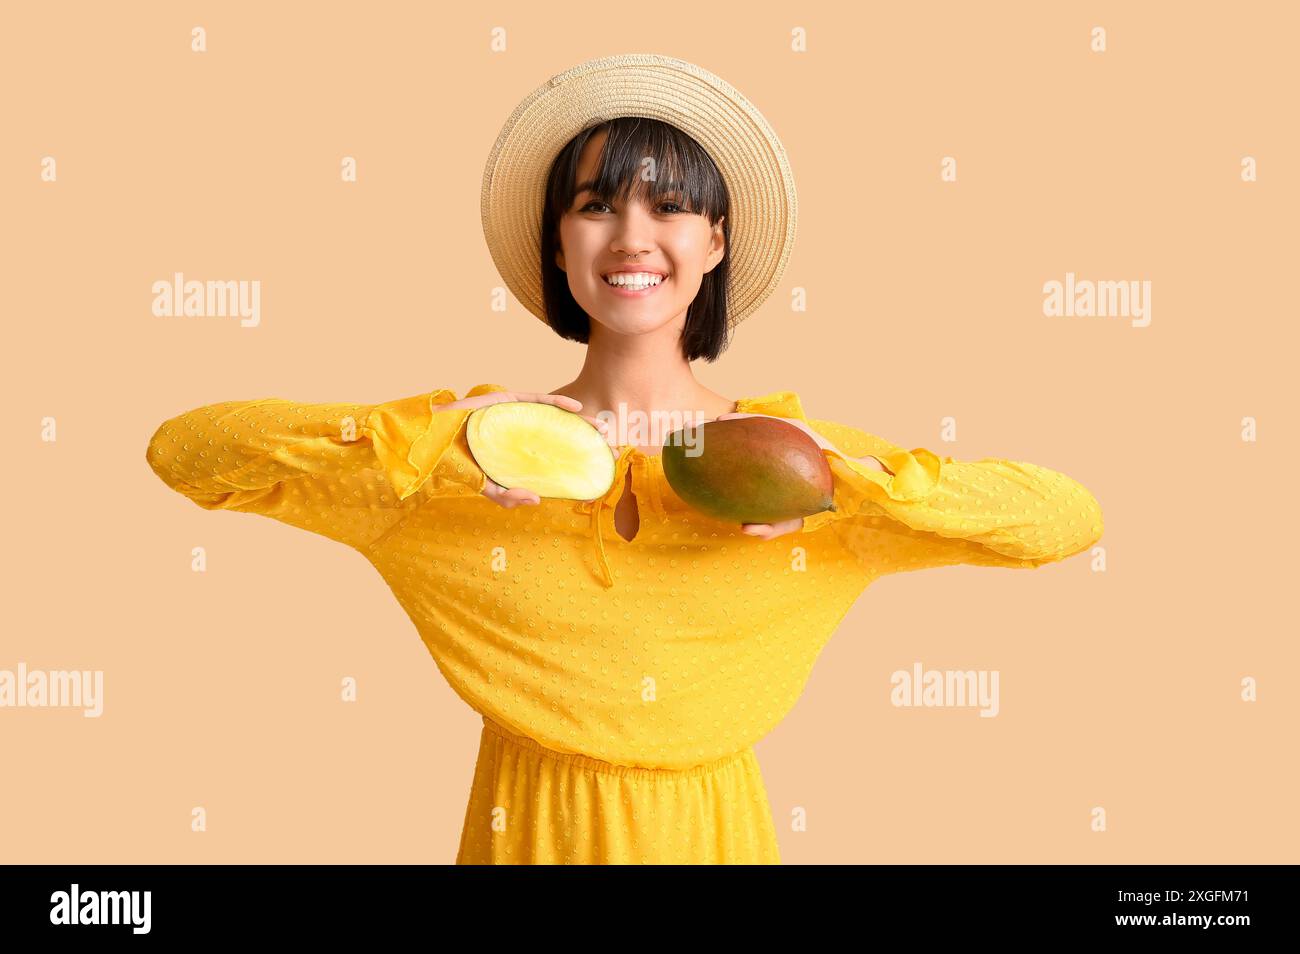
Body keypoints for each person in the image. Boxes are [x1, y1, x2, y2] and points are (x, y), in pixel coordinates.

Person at [145, 54, 1104, 864]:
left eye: (673, 208)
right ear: (558, 245)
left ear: (716, 241)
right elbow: (187, 452)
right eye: (597, 206)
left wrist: (854, 484)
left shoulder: (809, 479)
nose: (634, 237)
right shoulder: (447, 470)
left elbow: (1064, 521)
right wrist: (425, 437)